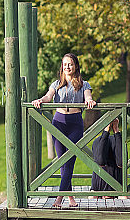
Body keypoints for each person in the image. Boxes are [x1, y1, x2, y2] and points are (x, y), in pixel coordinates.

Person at [32, 53, 96, 208]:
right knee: (63, 162)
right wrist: (40, 100)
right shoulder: (56, 84)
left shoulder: (84, 84)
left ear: (76, 66)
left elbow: (88, 97)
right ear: (62, 66)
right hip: (58, 124)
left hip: (75, 124)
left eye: (71, 64)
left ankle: (59, 198)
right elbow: (48, 97)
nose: (67, 67)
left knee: (70, 161)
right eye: (65, 64)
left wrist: (89, 101)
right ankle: (71, 198)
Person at [90, 118, 123, 196]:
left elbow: (121, 163)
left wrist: (116, 130)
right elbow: (100, 162)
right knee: (92, 197)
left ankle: (114, 131)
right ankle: (107, 131)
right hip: (98, 188)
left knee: (124, 197)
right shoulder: (97, 141)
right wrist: (106, 131)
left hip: (117, 188)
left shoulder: (117, 141)